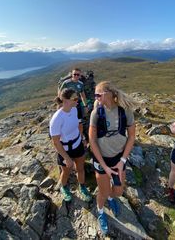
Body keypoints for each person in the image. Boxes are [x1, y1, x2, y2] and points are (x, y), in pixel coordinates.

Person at [89, 81, 138, 235]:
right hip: (101, 159)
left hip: (118, 159)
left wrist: (122, 160)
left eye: (98, 94)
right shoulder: (96, 113)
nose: (95, 97)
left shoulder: (125, 111)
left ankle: (112, 199)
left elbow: (131, 137)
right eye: (95, 95)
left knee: (117, 191)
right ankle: (101, 211)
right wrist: (104, 166)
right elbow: (92, 141)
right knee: (103, 192)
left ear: (109, 93)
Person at [49, 88, 91, 202]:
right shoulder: (57, 119)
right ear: (65, 100)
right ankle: (64, 187)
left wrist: (82, 138)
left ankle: (82, 187)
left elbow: (78, 125)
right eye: (75, 98)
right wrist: (67, 158)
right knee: (66, 171)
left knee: (80, 168)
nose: (78, 100)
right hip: (65, 149)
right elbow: (56, 142)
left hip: (77, 144)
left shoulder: (74, 109)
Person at [59, 68, 88, 136]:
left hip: (76, 105)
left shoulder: (80, 84)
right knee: (68, 122)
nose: (76, 76)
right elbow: (60, 93)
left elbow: (82, 95)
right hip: (67, 105)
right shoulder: (66, 83)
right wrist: (61, 104)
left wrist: (85, 106)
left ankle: (80, 136)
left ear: (80, 76)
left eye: (78, 75)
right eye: (75, 74)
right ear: (72, 75)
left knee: (79, 122)